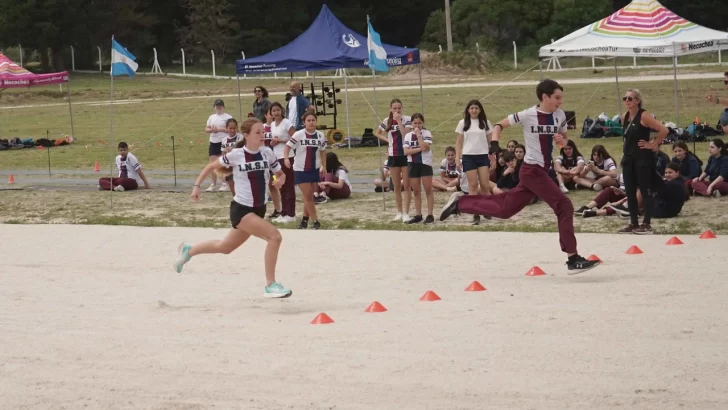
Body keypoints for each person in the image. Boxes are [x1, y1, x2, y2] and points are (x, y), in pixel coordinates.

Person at [439, 79, 600, 274]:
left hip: (541, 170)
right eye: (557, 97)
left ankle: (461, 203)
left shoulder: (559, 116)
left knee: (505, 209)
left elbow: (563, 140)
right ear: (545, 97)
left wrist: (561, 140)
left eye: (561, 97)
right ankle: (573, 258)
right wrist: (495, 144)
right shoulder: (527, 114)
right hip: (532, 170)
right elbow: (498, 125)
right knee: (564, 205)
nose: (561, 101)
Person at [174, 118, 292, 299]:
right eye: (257, 133)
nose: (262, 135)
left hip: (259, 209)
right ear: (246, 136)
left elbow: (280, 174)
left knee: (225, 247)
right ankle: (271, 285)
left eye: (263, 132)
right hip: (242, 210)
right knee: (274, 237)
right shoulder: (236, 155)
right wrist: (196, 186)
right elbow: (211, 167)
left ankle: (189, 251)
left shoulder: (267, 152)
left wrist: (280, 180)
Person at [617, 88, 668, 234]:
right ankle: (633, 222)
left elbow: (663, 129)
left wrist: (653, 144)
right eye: (625, 98)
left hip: (643, 159)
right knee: (630, 191)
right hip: (628, 158)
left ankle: (646, 223)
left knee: (645, 191)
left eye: (630, 98)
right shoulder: (624, 116)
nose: (627, 101)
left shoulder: (643, 116)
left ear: (637, 101)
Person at [283, 111, 327, 230]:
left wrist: (324, 165)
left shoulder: (321, 135)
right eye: (309, 120)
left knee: (310, 198)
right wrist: (286, 158)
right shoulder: (298, 134)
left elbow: (323, 151)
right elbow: (287, 147)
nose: (311, 122)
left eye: (313, 120)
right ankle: (316, 221)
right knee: (308, 197)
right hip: (300, 169)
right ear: (304, 122)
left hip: (314, 169)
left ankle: (304, 221)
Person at [455, 99, 494, 225]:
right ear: (468, 110)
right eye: (471, 108)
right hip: (468, 156)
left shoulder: (485, 123)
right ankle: (475, 213)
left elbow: (491, 142)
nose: (474, 110)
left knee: (484, 185)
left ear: (480, 110)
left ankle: (487, 209)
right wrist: (457, 157)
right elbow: (459, 142)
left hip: (483, 156)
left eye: (476, 108)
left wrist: (493, 157)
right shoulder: (463, 123)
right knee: (472, 185)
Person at [375, 98, 413, 222]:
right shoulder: (387, 121)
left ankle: (406, 212)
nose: (397, 110)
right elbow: (378, 133)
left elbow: (405, 134)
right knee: (396, 186)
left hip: (405, 155)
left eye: (399, 108)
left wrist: (399, 121)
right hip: (393, 155)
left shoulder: (407, 119)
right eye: (394, 108)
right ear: (391, 109)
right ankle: (399, 212)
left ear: (402, 108)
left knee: (406, 185)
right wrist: (388, 140)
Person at [403, 113, 435, 224]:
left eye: (419, 123)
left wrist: (419, 136)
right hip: (413, 164)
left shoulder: (427, 133)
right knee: (416, 191)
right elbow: (406, 151)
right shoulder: (408, 136)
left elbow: (426, 147)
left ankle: (430, 214)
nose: (417, 125)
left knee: (428, 189)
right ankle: (418, 214)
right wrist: (419, 149)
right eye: (415, 123)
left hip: (425, 163)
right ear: (411, 123)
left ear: (423, 123)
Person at [269, 102, 297, 223]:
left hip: (287, 156)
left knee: (289, 185)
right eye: (274, 110)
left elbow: (295, 138)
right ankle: (284, 212)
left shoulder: (287, 123)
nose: (276, 112)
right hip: (276, 158)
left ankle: (291, 214)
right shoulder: (272, 125)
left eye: (278, 110)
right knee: (281, 186)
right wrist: (273, 142)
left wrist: (280, 141)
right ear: (271, 113)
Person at [205, 99, 233, 192]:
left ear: (223, 107)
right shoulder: (212, 117)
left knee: (222, 163)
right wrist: (211, 130)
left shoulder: (228, 117)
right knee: (212, 164)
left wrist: (219, 129)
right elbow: (206, 129)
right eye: (217, 106)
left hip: (223, 142)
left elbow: (230, 129)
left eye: (220, 106)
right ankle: (213, 184)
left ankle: (225, 183)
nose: (219, 107)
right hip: (213, 141)